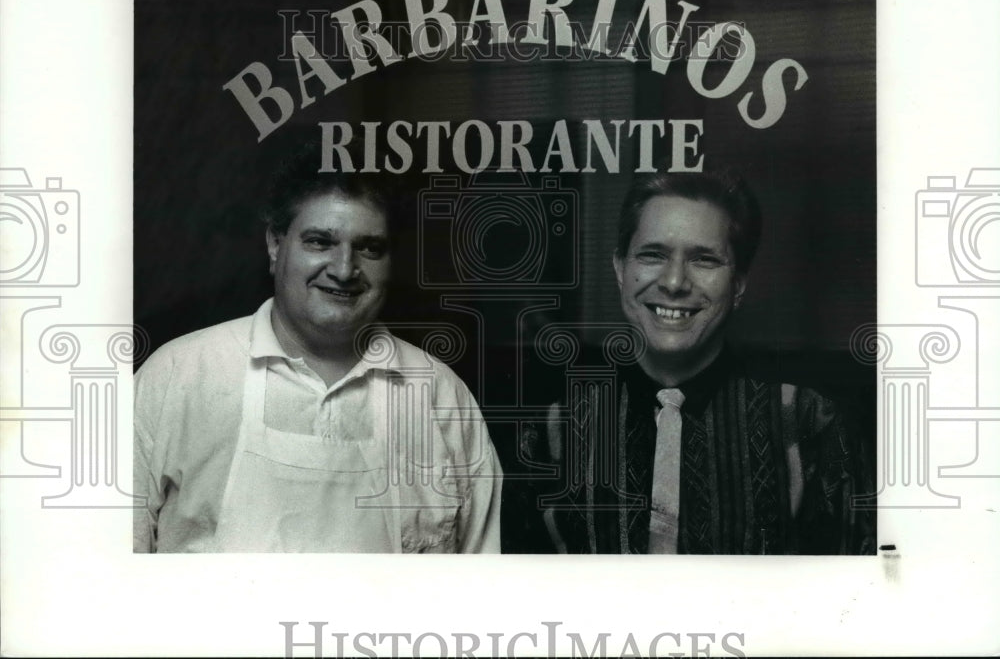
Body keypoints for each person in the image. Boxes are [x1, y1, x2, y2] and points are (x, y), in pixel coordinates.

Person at [133, 144, 502, 553]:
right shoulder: (178, 376)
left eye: (369, 248)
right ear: (275, 245)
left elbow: (480, 584)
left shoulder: (440, 395)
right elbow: (108, 573)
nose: (345, 270)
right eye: (320, 242)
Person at [524, 168, 875, 555]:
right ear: (621, 269)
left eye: (704, 260)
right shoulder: (558, 429)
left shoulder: (810, 426)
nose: (675, 282)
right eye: (653, 255)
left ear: (738, 284)